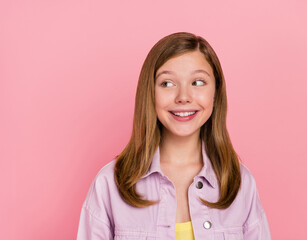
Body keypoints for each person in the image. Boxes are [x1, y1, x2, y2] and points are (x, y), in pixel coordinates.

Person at [77, 32, 271, 240]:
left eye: (197, 82)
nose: (183, 97)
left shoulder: (239, 183)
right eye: (167, 83)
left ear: (216, 92)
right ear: (149, 92)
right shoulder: (109, 184)